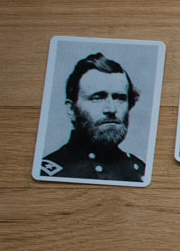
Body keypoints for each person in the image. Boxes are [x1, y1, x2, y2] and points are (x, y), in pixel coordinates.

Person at [40, 52, 147, 182]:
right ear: (71, 109)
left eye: (120, 98)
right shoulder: (50, 173)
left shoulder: (141, 170)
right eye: (98, 98)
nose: (111, 109)